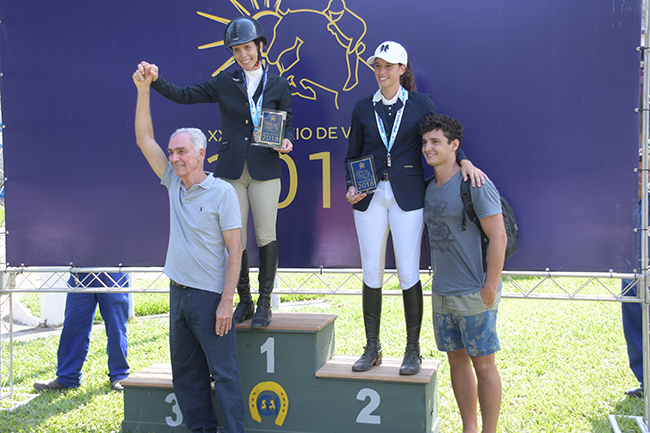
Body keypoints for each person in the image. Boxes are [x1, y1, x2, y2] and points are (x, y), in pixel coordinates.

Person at [138, 16, 294, 329]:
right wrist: (155, 81)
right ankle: (245, 300)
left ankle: (265, 301)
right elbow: (184, 95)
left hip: (265, 167)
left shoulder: (278, 84)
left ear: (260, 46)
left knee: (267, 235)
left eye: (247, 47)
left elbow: (287, 121)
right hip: (232, 170)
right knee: (234, 238)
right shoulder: (225, 80)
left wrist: (286, 140)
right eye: (236, 50)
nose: (243, 55)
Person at [344, 41, 486, 375]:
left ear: (402, 69)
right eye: (377, 66)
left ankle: (413, 350)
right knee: (371, 271)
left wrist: (464, 160)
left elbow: (441, 135)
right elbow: (352, 154)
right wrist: (352, 185)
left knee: (408, 272)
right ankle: (372, 347)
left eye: (388, 66)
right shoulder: (363, 107)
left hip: (407, 195)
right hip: (369, 198)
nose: (382, 72)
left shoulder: (421, 103)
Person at [132, 64, 246, 433]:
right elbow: (144, 139)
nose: (174, 158)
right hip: (178, 293)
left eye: (181, 151)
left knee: (224, 374)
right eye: (171, 152)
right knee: (185, 375)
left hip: (209, 298)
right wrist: (144, 90)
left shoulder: (222, 193)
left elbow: (236, 249)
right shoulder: (173, 182)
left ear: (200, 153)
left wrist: (226, 302)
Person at [421, 114, 506, 433]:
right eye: (425, 142)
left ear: (454, 145)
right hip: (442, 293)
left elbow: (499, 237)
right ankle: (469, 428)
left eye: (436, 142)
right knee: (455, 360)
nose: (428, 148)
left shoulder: (475, 184)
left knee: (484, 364)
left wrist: (490, 287)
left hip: (474, 292)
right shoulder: (427, 188)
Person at [33, 272, 130, 392]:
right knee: (73, 326)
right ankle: (67, 378)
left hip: (113, 271)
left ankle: (119, 375)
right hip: (81, 271)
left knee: (116, 327)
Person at [622, 152, 649, 398]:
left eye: (644, 169)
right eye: (637, 169)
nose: (640, 174)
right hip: (628, 274)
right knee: (634, 329)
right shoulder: (624, 202)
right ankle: (645, 382)